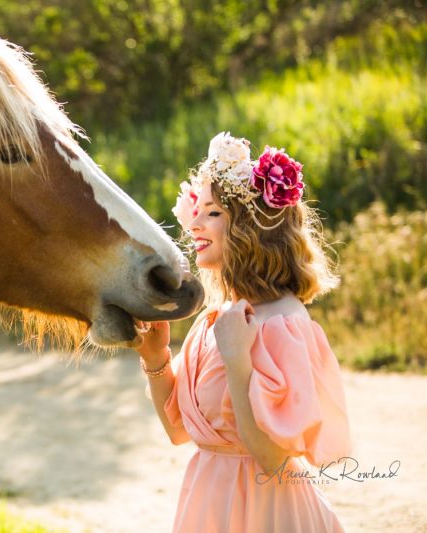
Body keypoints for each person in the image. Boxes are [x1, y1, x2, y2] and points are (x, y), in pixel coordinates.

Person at [136, 132, 351, 532]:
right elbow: (180, 432)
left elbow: (273, 459)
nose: (194, 223)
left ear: (251, 228)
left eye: (213, 213)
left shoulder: (282, 322)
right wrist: (155, 359)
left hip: (268, 511)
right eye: (197, 210)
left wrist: (239, 365)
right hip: (208, 506)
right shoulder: (216, 319)